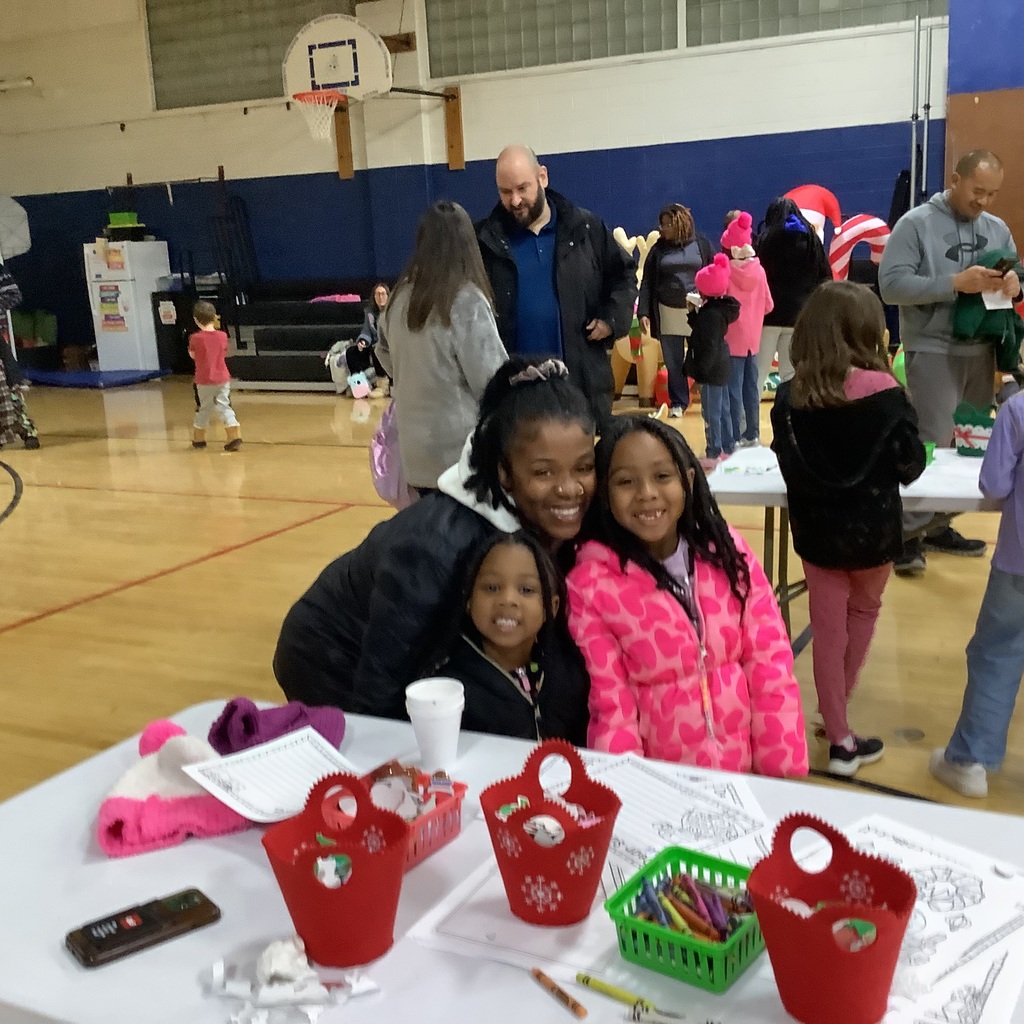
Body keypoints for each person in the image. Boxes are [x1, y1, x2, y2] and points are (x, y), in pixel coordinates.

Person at [273, 355, 596, 722]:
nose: (570, 489)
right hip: (329, 657)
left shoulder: (548, 514)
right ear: (504, 471)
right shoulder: (437, 545)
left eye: (584, 467)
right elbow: (382, 681)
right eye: (543, 471)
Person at [566, 416, 808, 777]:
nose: (646, 492)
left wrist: (780, 771)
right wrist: (629, 792)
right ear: (604, 494)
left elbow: (769, 663)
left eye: (662, 476)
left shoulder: (728, 554)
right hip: (662, 791)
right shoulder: (591, 586)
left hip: (744, 780)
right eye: (626, 482)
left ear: (689, 480)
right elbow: (611, 706)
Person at [771, 281, 926, 776]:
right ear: (868, 334)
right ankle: (837, 729)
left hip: (817, 535)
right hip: (873, 535)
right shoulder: (887, 395)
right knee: (863, 613)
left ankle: (836, 726)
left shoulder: (788, 399)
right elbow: (910, 466)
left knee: (828, 630)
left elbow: (787, 463)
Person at [880, 150, 1022, 577]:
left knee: (969, 449)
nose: (984, 201)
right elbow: (890, 286)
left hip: (981, 352)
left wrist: (1015, 284)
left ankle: (939, 525)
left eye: (992, 194)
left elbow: (1015, 278)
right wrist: (954, 284)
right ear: (956, 180)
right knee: (931, 443)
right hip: (933, 349)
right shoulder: (915, 224)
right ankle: (904, 534)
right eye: (978, 191)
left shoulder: (997, 228)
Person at [476, 144, 637, 429]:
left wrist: (612, 319)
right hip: (514, 399)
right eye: (505, 191)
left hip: (580, 390)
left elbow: (623, 275)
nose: (515, 200)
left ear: (542, 177)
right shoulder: (484, 242)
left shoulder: (586, 228)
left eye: (522, 188)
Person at [930, 389, 1024, 799]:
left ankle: (970, 761)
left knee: (996, 655)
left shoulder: (1017, 409)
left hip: (1018, 562)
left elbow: (994, 485)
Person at [376, 201, 508, 493]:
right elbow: (492, 381)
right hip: (461, 458)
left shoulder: (398, 299)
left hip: (415, 456)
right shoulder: (466, 300)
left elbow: (384, 354)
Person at [423, 531, 587, 743]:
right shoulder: (449, 688)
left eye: (526, 590)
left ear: (551, 607)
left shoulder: (568, 674)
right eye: (491, 588)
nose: (508, 600)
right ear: (468, 600)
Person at [637, 203, 714, 417]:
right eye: (661, 225)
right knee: (673, 362)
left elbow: (715, 272)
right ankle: (678, 403)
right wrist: (643, 312)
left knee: (703, 358)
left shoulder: (702, 244)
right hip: (666, 311)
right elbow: (647, 282)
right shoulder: (658, 250)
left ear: (680, 224)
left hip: (697, 312)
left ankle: (709, 403)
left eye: (667, 225)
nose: (662, 229)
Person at [754, 197, 833, 396]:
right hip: (799, 315)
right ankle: (791, 424)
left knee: (758, 374)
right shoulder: (812, 241)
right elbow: (825, 276)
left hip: (768, 316)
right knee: (791, 375)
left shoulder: (766, 240)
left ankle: (749, 426)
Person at [722, 211, 773, 448]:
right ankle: (753, 433)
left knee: (733, 390)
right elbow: (769, 305)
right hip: (754, 338)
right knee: (751, 389)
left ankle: (735, 435)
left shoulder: (725, 272)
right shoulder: (760, 271)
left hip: (731, 338)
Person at [687, 253, 740, 468]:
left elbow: (706, 344)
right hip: (722, 366)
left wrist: (700, 374)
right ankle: (728, 448)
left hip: (711, 369)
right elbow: (704, 332)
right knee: (724, 409)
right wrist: (694, 315)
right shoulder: (719, 310)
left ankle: (714, 451)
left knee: (711, 412)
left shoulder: (710, 315)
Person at [189, 300, 241, 451]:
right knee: (224, 405)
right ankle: (234, 434)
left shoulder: (195, 338)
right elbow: (224, 352)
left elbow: (193, 355)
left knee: (204, 407)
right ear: (214, 317)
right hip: (223, 378)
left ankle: (199, 439)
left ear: (196, 319)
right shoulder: (223, 336)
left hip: (204, 380)